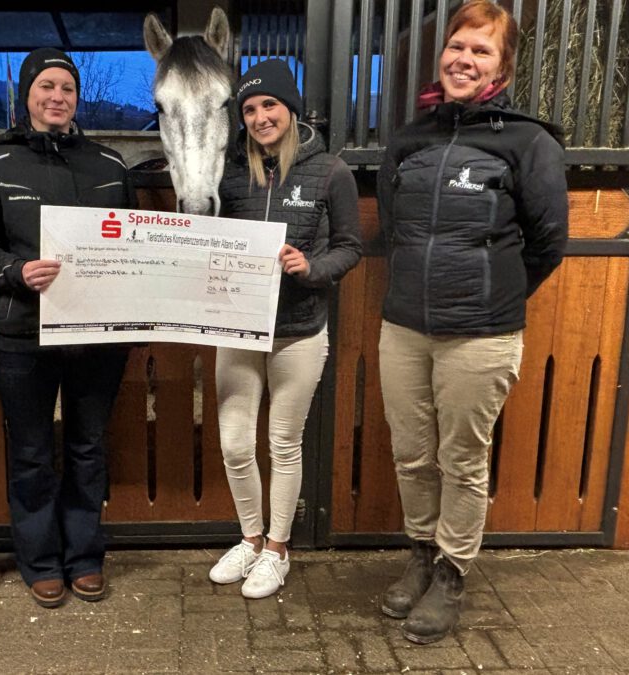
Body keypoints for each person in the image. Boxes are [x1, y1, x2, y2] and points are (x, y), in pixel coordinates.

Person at [376, 0, 568, 644]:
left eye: (481, 50)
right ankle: (421, 555)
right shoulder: (410, 138)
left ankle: (453, 572)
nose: (465, 59)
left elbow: (546, 241)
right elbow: (395, 228)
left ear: (502, 67)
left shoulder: (527, 141)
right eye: (458, 46)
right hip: (403, 328)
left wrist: (494, 296)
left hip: (481, 334)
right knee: (411, 455)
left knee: (462, 458)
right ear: (443, 55)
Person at [0, 49, 135, 608]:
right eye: (46, 86)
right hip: (21, 335)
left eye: (67, 88)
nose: (57, 96)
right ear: (28, 94)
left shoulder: (110, 165)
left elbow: (135, 246)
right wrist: (13, 271)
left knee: (88, 447)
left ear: (77, 99)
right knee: (32, 452)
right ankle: (39, 562)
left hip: (97, 335)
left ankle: (84, 557)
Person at [210, 59, 362, 599]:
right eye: (249, 110)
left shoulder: (330, 171)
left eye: (269, 105)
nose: (259, 117)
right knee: (233, 443)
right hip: (238, 328)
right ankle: (250, 538)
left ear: (290, 109)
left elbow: (351, 245)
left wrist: (312, 269)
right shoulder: (229, 175)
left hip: (299, 328)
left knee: (283, 441)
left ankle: (278, 549)